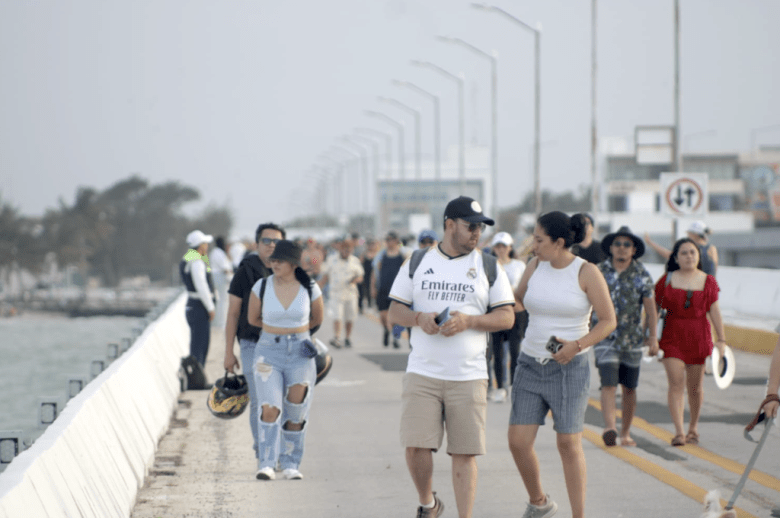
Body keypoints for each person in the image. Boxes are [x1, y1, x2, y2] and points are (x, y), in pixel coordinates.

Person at [388, 196, 515, 518]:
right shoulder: (417, 261)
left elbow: (506, 317)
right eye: (470, 226)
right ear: (449, 225)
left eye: (480, 227)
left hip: (469, 374)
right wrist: (419, 319)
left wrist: (470, 321)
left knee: (464, 453)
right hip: (423, 371)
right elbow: (395, 310)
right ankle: (428, 503)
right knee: (416, 446)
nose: (477, 233)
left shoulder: (488, 266)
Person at [509, 211, 616, 518]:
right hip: (530, 363)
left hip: (570, 368)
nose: (533, 246)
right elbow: (517, 300)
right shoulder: (534, 265)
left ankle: (578, 515)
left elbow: (608, 321)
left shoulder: (586, 272)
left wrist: (576, 346)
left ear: (558, 242)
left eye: (539, 240)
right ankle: (539, 502)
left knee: (568, 444)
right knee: (517, 442)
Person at [246, 240, 324, 481]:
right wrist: (276, 331)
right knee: (269, 407)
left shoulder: (309, 287)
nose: (273, 263)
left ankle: (291, 462)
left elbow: (317, 319)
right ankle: (267, 462)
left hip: (300, 353)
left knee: (296, 410)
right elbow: (253, 319)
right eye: (272, 260)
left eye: (279, 260)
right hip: (268, 351)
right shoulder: (262, 286)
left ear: (292, 263)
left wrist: (297, 333)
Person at [655, 237, 727, 447]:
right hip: (672, 335)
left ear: (699, 256)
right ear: (676, 258)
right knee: (676, 384)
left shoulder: (708, 281)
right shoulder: (667, 280)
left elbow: (715, 311)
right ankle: (679, 432)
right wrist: (649, 336)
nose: (689, 256)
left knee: (695, 387)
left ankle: (693, 428)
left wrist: (721, 339)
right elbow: (653, 310)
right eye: (684, 253)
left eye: (692, 252)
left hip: (698, 335)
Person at [224, 222, 284, 464]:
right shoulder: (245, 271)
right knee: (260, 400)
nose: (271, 246)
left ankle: (275, 449)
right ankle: (264, 453)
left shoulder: (289, 270)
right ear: (257, 244)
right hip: (252, 344)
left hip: (282, 345)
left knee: (279, 401)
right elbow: (232, 313)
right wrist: (229, 352)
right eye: (266, 241)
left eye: (277, 242)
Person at [592, 226, 658, 447]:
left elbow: (650, 310)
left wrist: (653, 338)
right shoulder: (598, 271)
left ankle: (626, 432)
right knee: (608, 384)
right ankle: (610, 427)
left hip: (632, 339)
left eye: (626, 245)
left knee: (629, 388)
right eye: (617, 244)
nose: (621, 248)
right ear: (611, 248)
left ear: (633, 250)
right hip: (604, 338)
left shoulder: (642, 274)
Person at [488, 231, 527, 403]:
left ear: (510, 247)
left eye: (504, 246)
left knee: (514, 351)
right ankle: (500, 387)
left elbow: (524, 288)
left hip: (516, 311)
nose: (501, 249)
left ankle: (513, 386)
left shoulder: (519, 265)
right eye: (498, 246)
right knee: (497, 352)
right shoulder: (489, 265)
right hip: (495, 311)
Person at [318, 236, 364, 348]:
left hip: (350, 292)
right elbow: (325, 276)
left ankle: (347, 337)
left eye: (349, 249)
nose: (346, 251)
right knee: (337, 316)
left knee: (350, 317)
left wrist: (355, 279)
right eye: (344, 249)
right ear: (340, 249)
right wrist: (318, 289)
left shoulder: (355, 261)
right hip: (336, 292)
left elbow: (360, 276)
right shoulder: (331, 259)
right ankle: (337, 337)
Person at [180, 230, 217, 368]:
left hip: (192, 305)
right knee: (201, 344)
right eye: (205, 243)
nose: (207, 246)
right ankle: (197, 377)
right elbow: (202, 286)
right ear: (200, 246)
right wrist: (210, 307)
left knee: (197, 342)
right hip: (199, 306)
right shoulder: (196, 261)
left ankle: (197, 375)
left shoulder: (189, 258)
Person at [372, 230, 407, 349]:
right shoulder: (381, 255)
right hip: (383, 289)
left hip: (398, 291)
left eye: (391, 240)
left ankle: (396, 337)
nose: (388, 242)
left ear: (396, 241)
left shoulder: (403, 255)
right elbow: (374, 272)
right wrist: (373, 287)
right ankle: (386, 329)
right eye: (387, 240)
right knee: (383, 315)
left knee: (396, 316)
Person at [644, 220, 718, 276]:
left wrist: (650, 243)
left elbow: (669, 255)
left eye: (689, 234)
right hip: (710, 290)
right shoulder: (712, 249)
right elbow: (715, 270)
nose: (688, 236)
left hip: (698, 289)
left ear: (695, 234)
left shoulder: (691, 249)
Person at [209, 236, 234, 329]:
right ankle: (221, 323)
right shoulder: (219, 253)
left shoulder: (214, 252)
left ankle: (217, 322)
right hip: (220, 278)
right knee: (223, 301)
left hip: (215, 277)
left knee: (218, 301)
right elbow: (225, 268)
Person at [358, 237, 379, 313]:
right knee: (362, 290)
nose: (372, 246)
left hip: (374, 275)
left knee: (373, 289)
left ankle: (372, 305)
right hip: (365, 274)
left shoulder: (378, 254)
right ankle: (360, 307)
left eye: (373, 244)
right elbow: (359, 264)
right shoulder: (364, 254)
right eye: (370, 244)